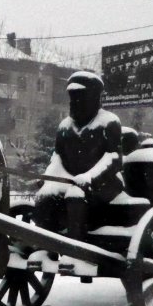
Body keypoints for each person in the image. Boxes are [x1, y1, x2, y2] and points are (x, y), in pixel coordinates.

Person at [33, 72, 123, 269]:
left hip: (106, 185)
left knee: (75, 197)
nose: (74, 103)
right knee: (45, 197)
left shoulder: (109, 122)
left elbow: (114, 158)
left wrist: (90, 178)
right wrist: (49, 179)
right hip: (71, 182)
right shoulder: (64, 127)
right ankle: (44, 248)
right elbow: (57, 157)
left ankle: (75, 253)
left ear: (95, 98)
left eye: (80, 97)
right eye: (72, 98)